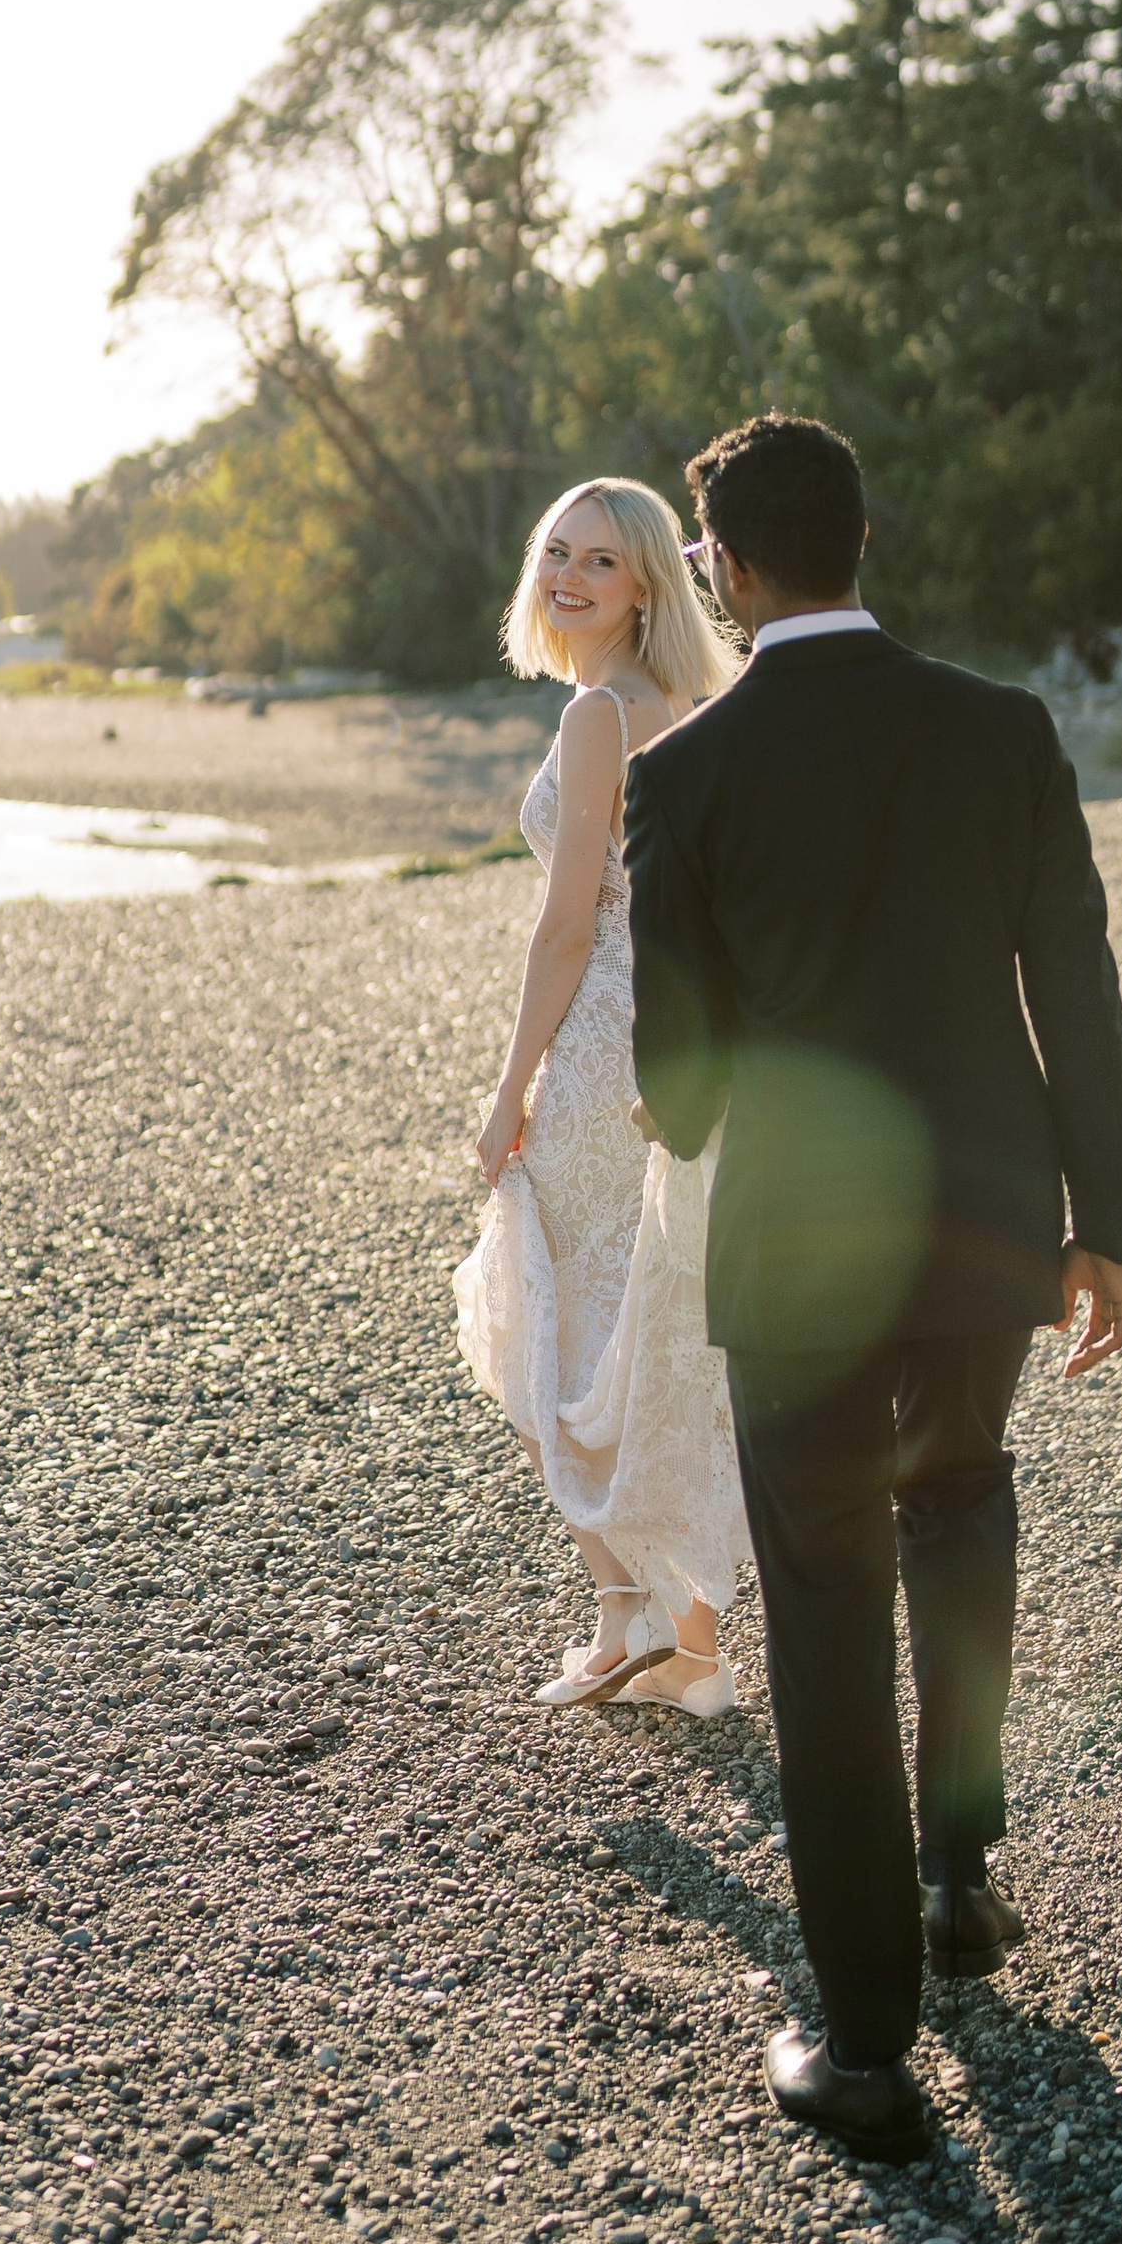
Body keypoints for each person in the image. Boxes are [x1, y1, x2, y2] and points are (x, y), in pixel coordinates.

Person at [625, 411, 1122, 2162]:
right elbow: (1075, 984)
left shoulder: (684, 774)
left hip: (795, 1256)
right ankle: (961, 1883)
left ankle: (862, 2049)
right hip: (991, 1228)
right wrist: (1111, 1226)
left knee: (830, 1607)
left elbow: (687, 1094)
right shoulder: (1000, 728)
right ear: (863, 543)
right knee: (966, 1509)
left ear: (733, 569)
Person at [454, 478, 753, 1715]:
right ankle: (695, 1647)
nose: (570, 577)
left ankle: (620, 1608)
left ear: (646, 584)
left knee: (554, 1324)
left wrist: (507, 1086)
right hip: (681, 1041)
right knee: (653, 1328)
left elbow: (564, 929)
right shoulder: (696, 702)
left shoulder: (596, 718)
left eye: (601, 561)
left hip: (595, 1052)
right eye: (556, 553)